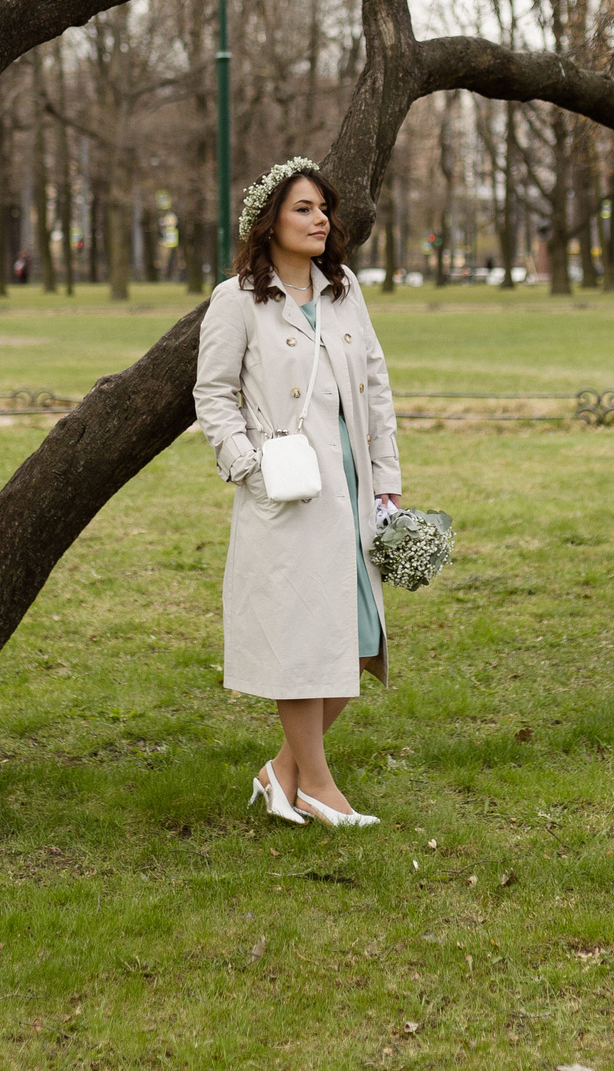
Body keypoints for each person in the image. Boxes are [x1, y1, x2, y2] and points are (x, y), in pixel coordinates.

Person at [193, 157, 404, 830]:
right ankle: (316, 786)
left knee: (355, 635)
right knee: (302, 636)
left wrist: (388, 481)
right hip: (286, 491)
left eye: (323, 210)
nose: (321, 221)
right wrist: (250, 465)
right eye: (304, 209)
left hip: (351, 484)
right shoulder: (238, 300)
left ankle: (280, 771)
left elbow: (376, 388)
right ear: (270, 221)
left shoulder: (344, 291)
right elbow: (212, 395)